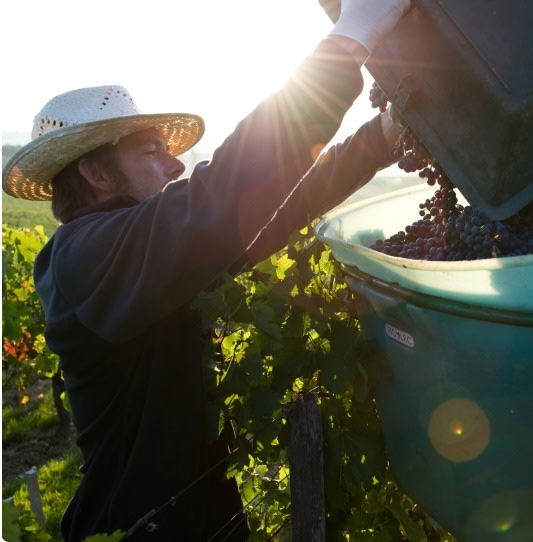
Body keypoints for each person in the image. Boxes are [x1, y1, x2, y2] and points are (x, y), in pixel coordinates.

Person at [2, 0, 411, 539]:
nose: (175, 164)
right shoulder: (85, 257)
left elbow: (268, 208)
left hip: (196, 519)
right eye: (151, 151)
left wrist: (380, 138)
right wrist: (352, 37)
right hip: (144, 530)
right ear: (95, 173)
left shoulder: (143, 256)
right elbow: (220, 196)